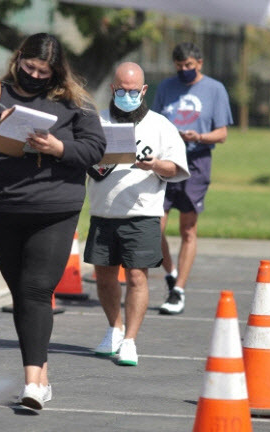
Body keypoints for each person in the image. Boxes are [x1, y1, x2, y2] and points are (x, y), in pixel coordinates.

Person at [0, 33, 106, 409]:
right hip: (1, 207)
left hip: (55, 209)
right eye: (30, 67)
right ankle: (41, 374)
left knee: (37, 290)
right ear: (18, 58)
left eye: (44, 71)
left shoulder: (74, 101)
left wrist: (59, 147)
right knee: (22, 294)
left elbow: (95, 147)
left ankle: (32, 383)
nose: (35, 75)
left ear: (57, 71)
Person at [84, 62, 189, 366]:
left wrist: (155, 164)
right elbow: (82, 158)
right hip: (103, 213)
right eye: (122, 90)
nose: (127, 95)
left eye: (134, 91)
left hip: (142, 213)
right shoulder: (97, 122)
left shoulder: (160, 125)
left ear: (144, 90)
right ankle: (113, 329)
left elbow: (177, 168)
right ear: (112, 89)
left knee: (136, 277)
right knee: (104, 277)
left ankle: (130, 340)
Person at [152, 42, 233, 315]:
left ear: (199, 63)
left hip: (196, 161)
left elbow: (221, 133)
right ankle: (171, 273)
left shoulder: (215, 89)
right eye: (179, 66)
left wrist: (198, 136)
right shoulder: (165, 87)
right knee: (155, 226)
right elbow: (154, 123)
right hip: (166, 161)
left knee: (188, 228)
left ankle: (178, 291)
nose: (184, 70)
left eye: (188, 66)